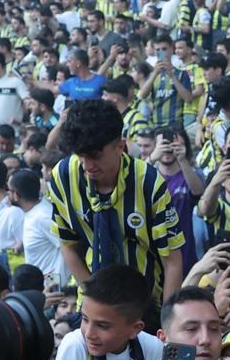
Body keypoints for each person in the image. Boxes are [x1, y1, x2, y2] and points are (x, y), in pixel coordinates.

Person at [44, 97, 184, 300]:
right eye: (80, 155)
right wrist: (94, 298)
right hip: (92, 295)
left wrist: (168, 322)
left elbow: (172, 260)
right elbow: (68, 245)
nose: (86, 165)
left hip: (145, 300)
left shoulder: (149, 182)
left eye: (95, 155)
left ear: (120, 146)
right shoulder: (63, 176)